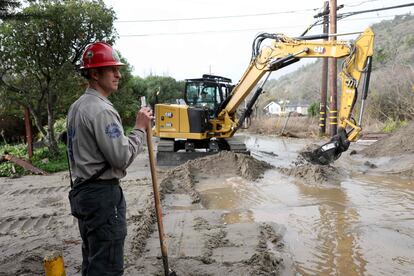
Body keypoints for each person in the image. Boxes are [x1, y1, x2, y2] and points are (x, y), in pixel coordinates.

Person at [67, 42, 152, 276]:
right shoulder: (101, 110)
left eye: (118, 69)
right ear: (94, 74)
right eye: (111, 69)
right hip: (102, 196)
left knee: (93, 258)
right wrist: (139, 128)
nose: (118, 75)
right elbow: (121, 158)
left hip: (83, 192)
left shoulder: (77, 107)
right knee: (107, 266)